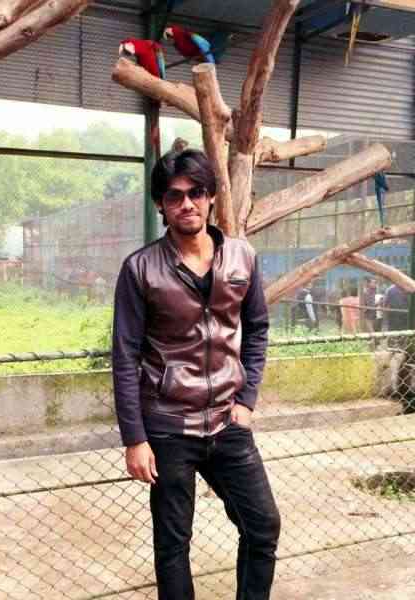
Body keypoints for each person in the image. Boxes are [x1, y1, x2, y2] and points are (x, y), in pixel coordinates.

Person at [112, 149, 280, 600]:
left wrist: (246, 401)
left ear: (210, 197)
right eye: (174, 195)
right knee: (173, 545)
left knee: (263, 526)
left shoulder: (242, 257)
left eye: (196, 193)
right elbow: (125, 356)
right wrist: (135, 438)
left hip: (228, 422)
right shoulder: (140, 269)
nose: (186, 203)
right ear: (160, 204)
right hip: (168, 427)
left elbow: (257, 328)